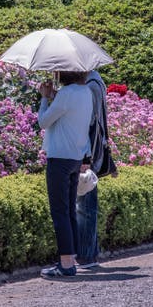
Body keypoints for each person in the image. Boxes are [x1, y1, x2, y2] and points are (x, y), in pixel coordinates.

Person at [36, 69, 93, 278]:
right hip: (76, 156)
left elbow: (43, 122)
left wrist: (44, 99)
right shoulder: (85, 92)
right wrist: (53, 96)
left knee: (59, 211)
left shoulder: (67, 94)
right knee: (69, 210)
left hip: (59, 157)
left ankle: (66, 263)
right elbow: (69, 112)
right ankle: (72, 258)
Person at [76, 70, 109, 270]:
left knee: (85, 206)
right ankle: (89, 254)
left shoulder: (91, 87)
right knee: (86, 205)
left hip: (87, 153)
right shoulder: (96, 82)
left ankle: (87, 256)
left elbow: (88, 123)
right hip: (90, 152)